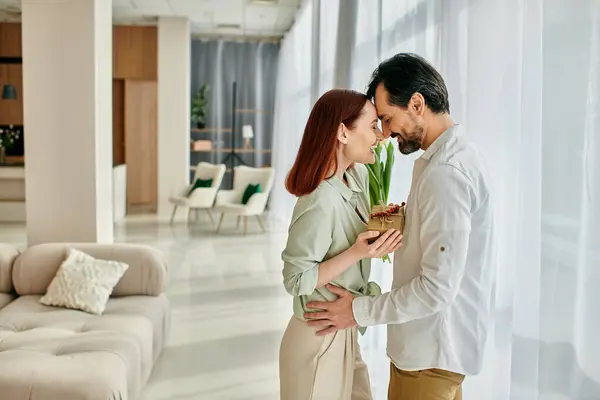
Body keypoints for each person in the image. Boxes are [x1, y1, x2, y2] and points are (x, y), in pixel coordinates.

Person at [304, 53, 497, 400]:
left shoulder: (445, 173)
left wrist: (355, 310)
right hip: (437, 353)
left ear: (417, 104)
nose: (387, 133)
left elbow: (436, 288)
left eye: (389, 119)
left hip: (430, 356)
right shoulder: (451, 159)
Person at [279, 89, 403, 400]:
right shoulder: (319, 200)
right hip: (317, 339)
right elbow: (295, 279)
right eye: (373, 125)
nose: (381, 135)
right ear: (342, 132)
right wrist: (357, 253)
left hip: (345, 330)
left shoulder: (357, 178)